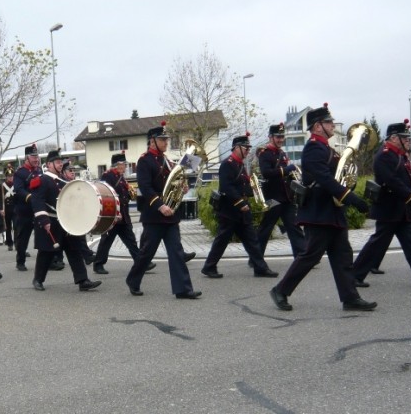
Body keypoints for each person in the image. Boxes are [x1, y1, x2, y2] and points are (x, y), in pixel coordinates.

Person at [269, 103, 377, 311]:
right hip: (318, 212)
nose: (332, 125)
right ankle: (280, 290)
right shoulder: (312, 148)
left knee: (343, 255)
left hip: (331, 211)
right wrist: (350, 197)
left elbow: (338, 178)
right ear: (318, 126)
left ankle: (350, 298)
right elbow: (325, 180)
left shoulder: (326, 148)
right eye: (329, 122)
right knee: (310, 255)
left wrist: (349, 184)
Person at [352, 120, 411, 289]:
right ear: (394, 138)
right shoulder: (384, 156)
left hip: (401, 209)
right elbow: (392, 182)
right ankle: (355, 275)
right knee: (376, 244)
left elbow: (403, 178)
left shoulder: (397, 155)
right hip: (389, 208)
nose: (408, 141)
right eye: (405, 138)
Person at [125, 122, 201, 299]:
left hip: (171, 215)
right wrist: (160, 205)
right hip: (154, 215)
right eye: (162, 139)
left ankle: (183, 289)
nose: (166, 142)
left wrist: (183, 187)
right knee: (146, 253)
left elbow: (181, 176)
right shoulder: (144, 160)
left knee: (176, 251)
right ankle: (133, 280)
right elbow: (145, 187)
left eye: (166, 139)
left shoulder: (168, 161)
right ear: (152, 141)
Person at [201, 132, 279, 279]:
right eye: (245, 147)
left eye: (249, 148)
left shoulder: (239, 165)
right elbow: (226, 187)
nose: (248, 150)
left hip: (241, 211)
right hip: (230, 211)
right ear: (236, 147)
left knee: (252, 241)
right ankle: (209, 266)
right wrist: (240, 202)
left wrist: (256, 190)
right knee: (222, 241)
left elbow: (242, 186)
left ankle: (260, 268)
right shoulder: (227, 164)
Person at [30, 149, 101, 292]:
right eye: (57, 162)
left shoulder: (64, 181)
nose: (60, 165)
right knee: (46, 252)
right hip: (51, 220)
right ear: (49, 165)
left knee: (74, 250)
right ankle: (38, 279)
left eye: (60, 162)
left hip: (66, 222)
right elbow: (37, 201)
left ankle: (83, 280)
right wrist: (44, 220)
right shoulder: (42, 180)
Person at [252, 122, 306, 268]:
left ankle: (302, 257)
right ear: (270, 137)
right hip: (272, 197)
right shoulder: (265, 153)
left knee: (294, 227)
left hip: (286, 197)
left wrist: (293, 176)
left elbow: (287, 174)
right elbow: (266, 173)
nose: (281, 139)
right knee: (265, 229)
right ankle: (255, 259)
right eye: (278, 137)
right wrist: (286, 170)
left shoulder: (282, 154)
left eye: (282, 137)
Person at [92, 152, 156, 275]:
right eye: (124, 164)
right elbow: (106, 196)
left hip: (123, 216)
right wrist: (115, 212)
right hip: (113, 215)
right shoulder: (108, 176)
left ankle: (141, 262)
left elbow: (124, 194)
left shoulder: (120, 177)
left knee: (131, 240)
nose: (125, 167)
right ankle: (98, 264)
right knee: (106, 241)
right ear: (117, 165)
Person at [13, 144, 42, 271]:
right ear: (27, 158)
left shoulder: (39, 171)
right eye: (33, 157)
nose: (36, 159)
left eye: (37, 156)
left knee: (42, 236)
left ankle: (49, 260)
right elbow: (19, 190)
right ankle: (20, 261)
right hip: (25, 210)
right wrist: (30, 197)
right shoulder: (20, 173)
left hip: (38, 209)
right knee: (23, 238)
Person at [0, 164, 15, 251]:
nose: (10, 178)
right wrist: (1, 209)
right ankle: (9, 243)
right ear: (6, 177)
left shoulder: (16, 184)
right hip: (6, 209)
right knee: (7, 227)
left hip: (15, 208)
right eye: (9, 176)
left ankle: (18, 243)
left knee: (17, 227)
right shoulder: (2, 186)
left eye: (11, 176)